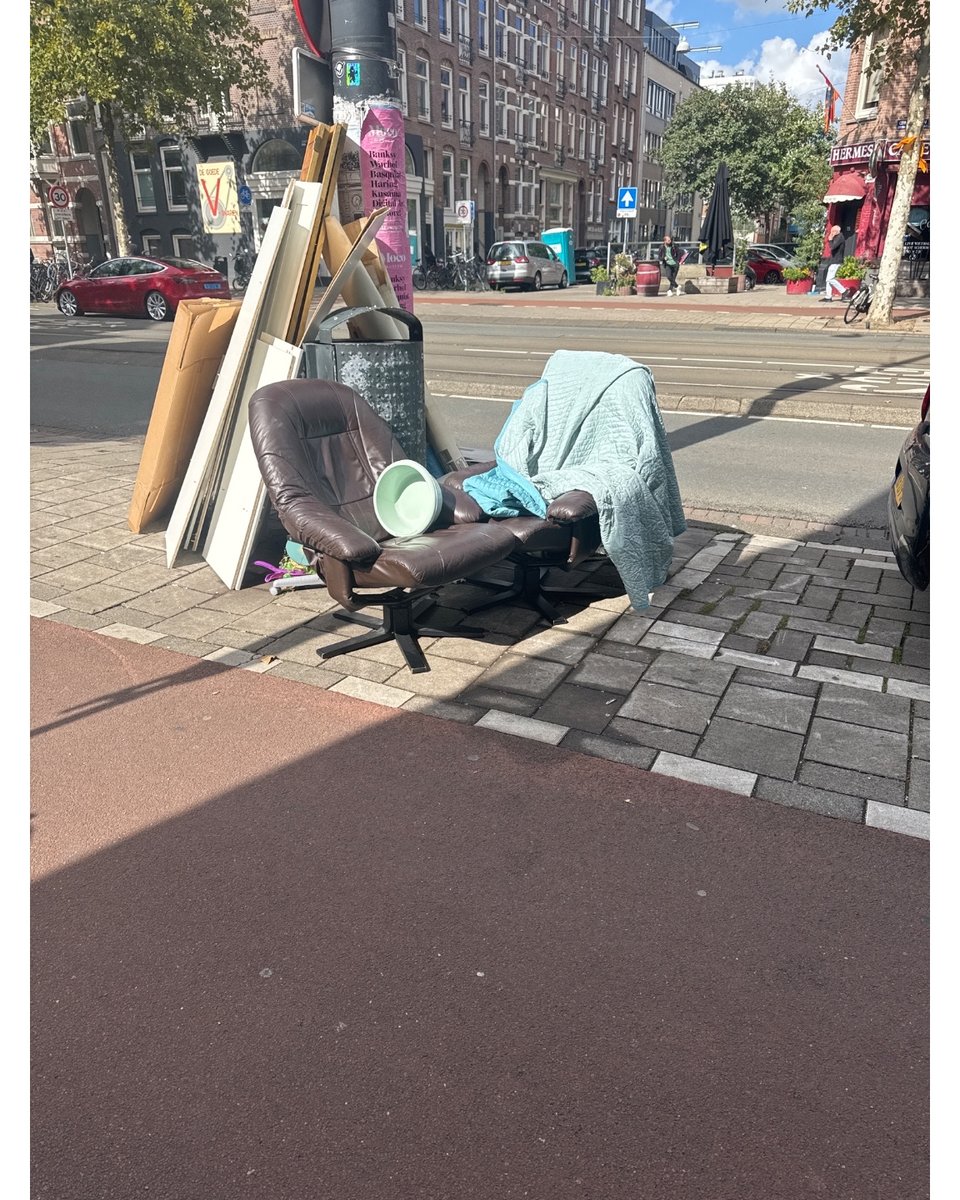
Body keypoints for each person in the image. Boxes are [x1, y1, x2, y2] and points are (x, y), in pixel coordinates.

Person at [821, 224, 846, 302]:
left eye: (832, 231)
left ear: (836, 231)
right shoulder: (837, 237)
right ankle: (828, 296)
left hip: (836, 261)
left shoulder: (840, 237)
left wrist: (831, 240)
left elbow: (833, 247)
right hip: (832, 260)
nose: (831, 233)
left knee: (830, 279)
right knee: (828, 279)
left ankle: (844, 291)